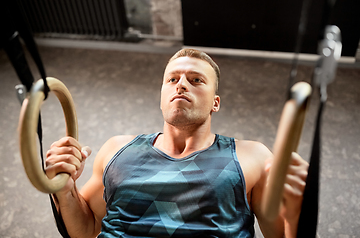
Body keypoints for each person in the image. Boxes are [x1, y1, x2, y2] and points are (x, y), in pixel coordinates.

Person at [45, 48, 309, 238]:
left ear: (215, 103)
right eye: (172, 79)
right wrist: (64, 190)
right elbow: (87, 230)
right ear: (162, 96)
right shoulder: (117, 150)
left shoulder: (251, 156)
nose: (181, 84)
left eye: (196, 80)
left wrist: (299, 210)